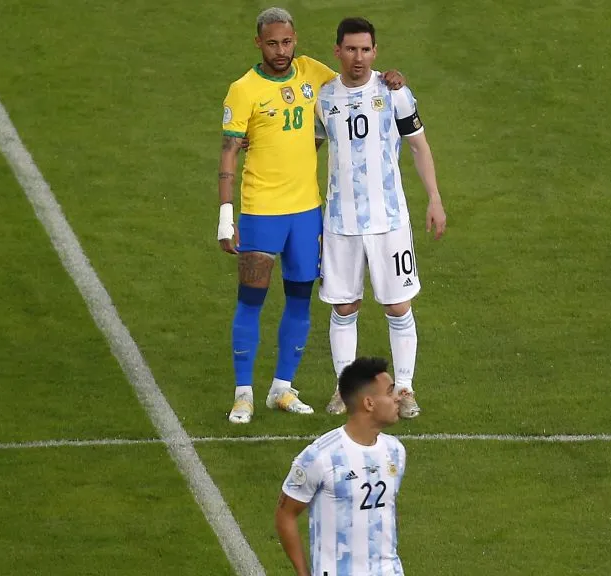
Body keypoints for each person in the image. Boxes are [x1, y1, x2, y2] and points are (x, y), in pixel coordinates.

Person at [218, 7, 405, 424]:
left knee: (300, 301)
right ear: (258, 43)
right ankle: (243, 393)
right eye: (272, 43)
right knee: (251, 300)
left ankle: (282, 389)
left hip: (307, 212)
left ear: (296, 38)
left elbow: (354, 81)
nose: (281, 50)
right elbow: (229, 150)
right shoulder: (243, 89)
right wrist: (225, 216)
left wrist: (392, 77)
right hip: (262, 210)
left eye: (287, 42)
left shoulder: (311, 73)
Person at [313, 17, 447, 419]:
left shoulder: (395, 94)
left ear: (376, 51)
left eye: (366, 49)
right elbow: (305, 150)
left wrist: (435, 199)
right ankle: (345, 389)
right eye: (351, 49)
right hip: (339, 221)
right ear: (337, 50)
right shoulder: (323, 99)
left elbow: (419, 148)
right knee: (344, 306)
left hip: (389, 219)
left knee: (398, 305)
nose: (359, 57)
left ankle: (403, 389)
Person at [275, 356, 407, 576]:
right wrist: (303, 572)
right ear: (369, 403)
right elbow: (285, 515)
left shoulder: (395, 451)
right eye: (390, 392)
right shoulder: (320, 456)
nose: (398, 398)